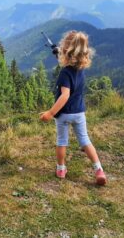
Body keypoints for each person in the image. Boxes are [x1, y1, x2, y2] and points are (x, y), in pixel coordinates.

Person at [39, 30, 106, 185]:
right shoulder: (80, 69)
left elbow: (65, 96)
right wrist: (58, 54)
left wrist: (50, 113)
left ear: (66, 51)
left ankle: (61, 169)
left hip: (63, 115)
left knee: (62, 141)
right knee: (85, 141)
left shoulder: (64, 73)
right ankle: (99, 170)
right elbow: (69, 66)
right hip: (79, 113)